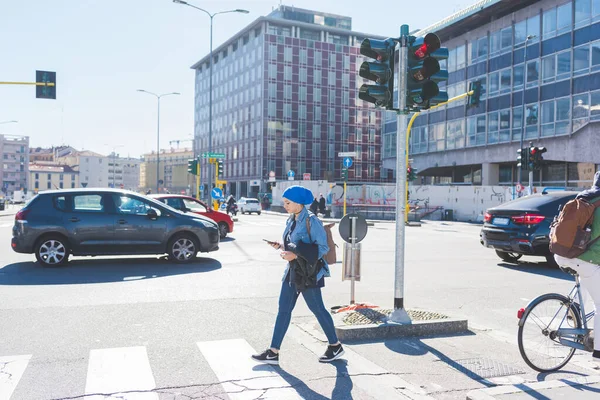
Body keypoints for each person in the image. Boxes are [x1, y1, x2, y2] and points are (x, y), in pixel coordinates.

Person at [252, 185, 344, 365]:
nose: (284, 205)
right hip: (292, 271)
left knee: (318, 309)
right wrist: (281, 247)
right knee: (283, 310)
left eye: (288, 202)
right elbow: (294, 244)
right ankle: (273, 351)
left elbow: (322, 248)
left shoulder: (312, 220)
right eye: (284, 202)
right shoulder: (291, 220)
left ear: (299, 203)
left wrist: (295, 255)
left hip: (309, 273)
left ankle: (335, 345)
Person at [554, 171, 600, 362]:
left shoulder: (583, 197)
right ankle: (598, 352)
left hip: (562, 253)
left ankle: (575, 308)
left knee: (590, 281)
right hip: (585, 258)